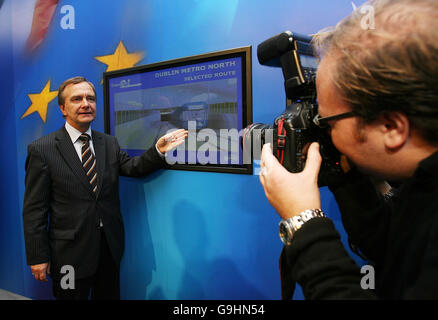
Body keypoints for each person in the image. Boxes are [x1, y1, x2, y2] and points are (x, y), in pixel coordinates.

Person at [259, 0, 438, 299]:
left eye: (327, 121)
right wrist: (345, 176)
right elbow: (391, 247)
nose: (324, 132)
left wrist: (302, 220)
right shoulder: (423, 188)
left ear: (391, 127)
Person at [22, 76, 188, 300]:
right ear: (63, 108)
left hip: (108, 249)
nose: (85, 104)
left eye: (90, 98)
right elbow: (34, 210)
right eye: (77, 99)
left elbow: (132, 167)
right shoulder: (42, 150)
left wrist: (158, 150)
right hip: (68, 256)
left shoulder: (109, 143)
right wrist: (37, 256)